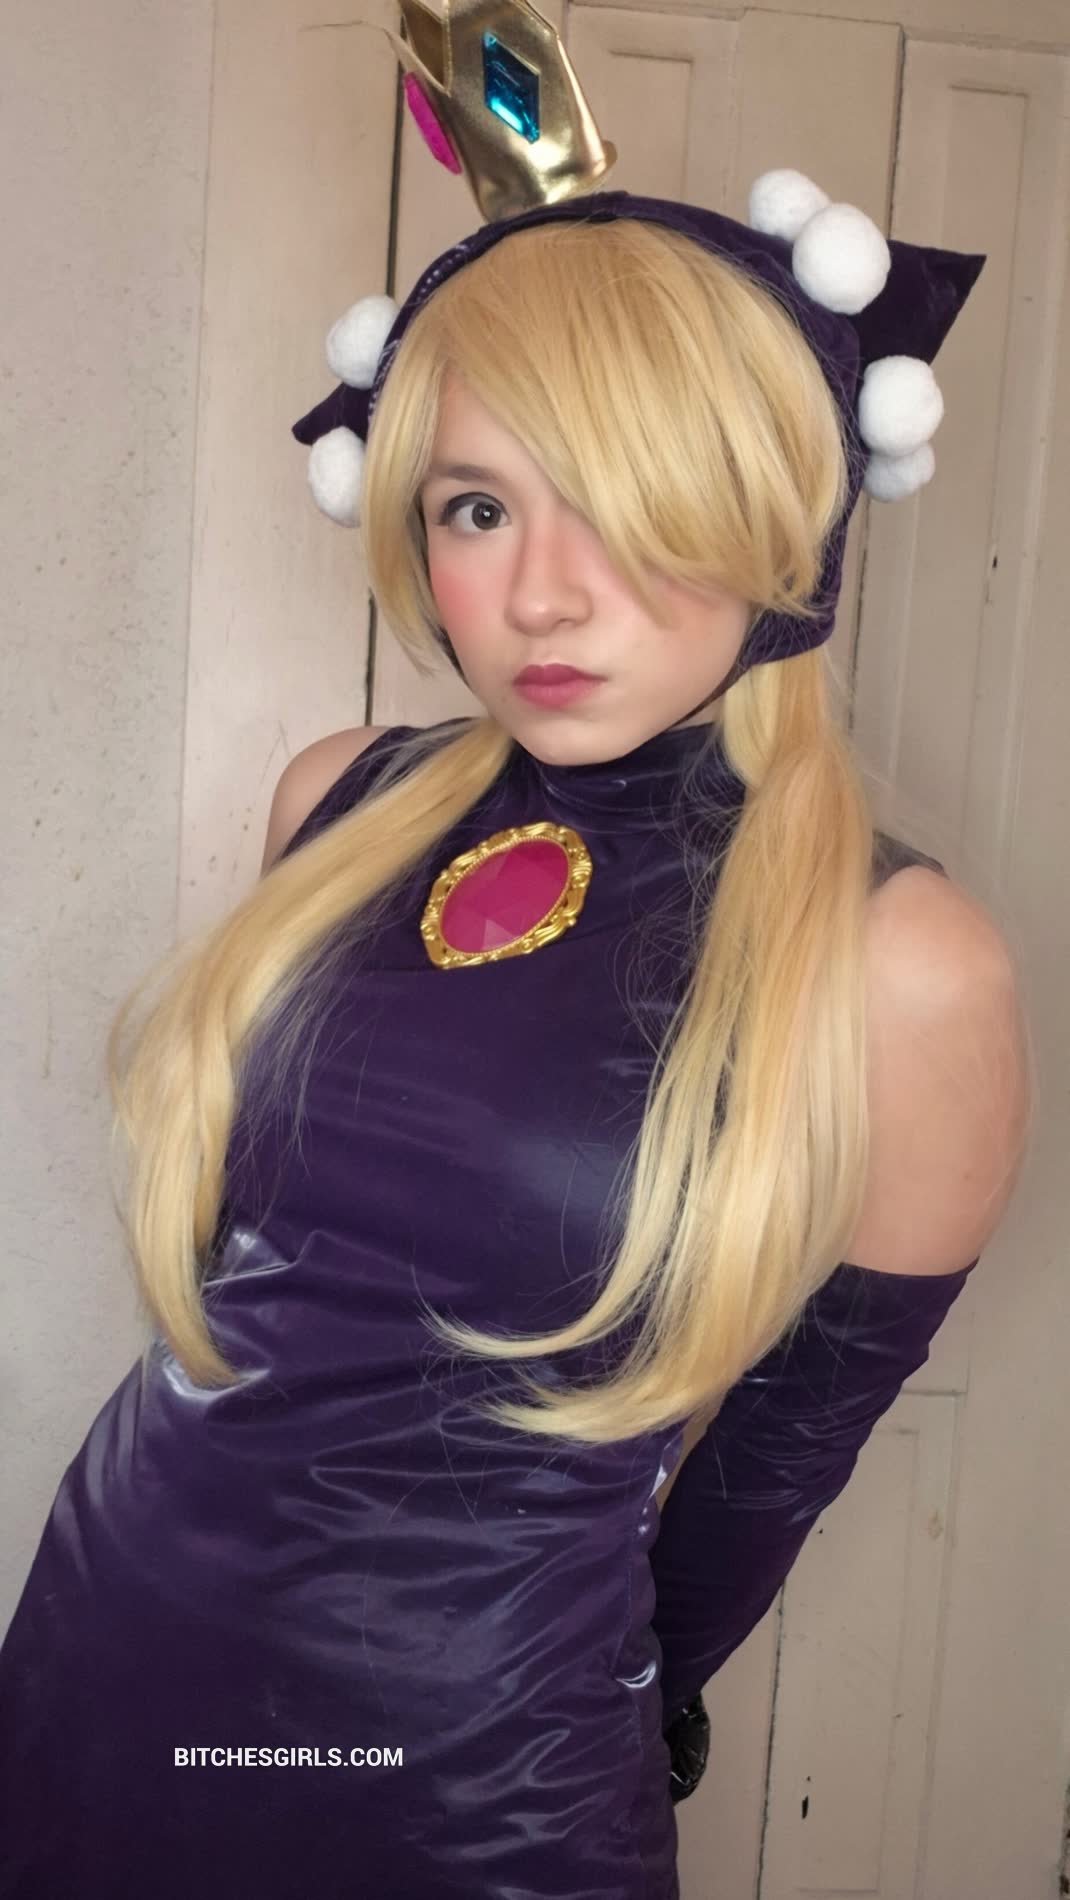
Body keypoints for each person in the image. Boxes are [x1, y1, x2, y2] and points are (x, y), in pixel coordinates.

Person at [0, 2, 1031, 1893]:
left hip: (472, 1778)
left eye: (624, 508)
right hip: (97, 1659)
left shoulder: (904, 962)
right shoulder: (338, 801)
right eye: (477, 506)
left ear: (777, 520)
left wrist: (595, 1706)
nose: (540, 594)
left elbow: (774, 1464)